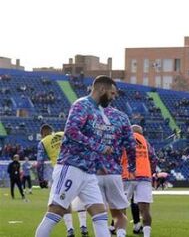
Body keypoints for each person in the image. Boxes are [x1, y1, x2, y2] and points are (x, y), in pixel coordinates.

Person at [34, 75, 118, 237]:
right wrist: (99, 146)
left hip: (88, 171)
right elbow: (72, 131)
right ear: (102, 89)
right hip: (71, 167)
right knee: (56, 212)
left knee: (100, 215)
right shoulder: (82, 105)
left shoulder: (98, 110)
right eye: (112, 93)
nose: (113, 98)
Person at [37, 124, 89, 237]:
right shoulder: (63, 133)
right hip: (78, 167)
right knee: (81, 198)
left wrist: (41, 180)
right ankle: (83, 226)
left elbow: (40, 162)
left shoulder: (43, 142)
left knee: (62, 201)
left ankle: (70, 229)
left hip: (62, 170)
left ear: (42, 134)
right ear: (52, 131)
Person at [98, 106, 137, 237]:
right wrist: (132, 167)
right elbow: (131, 145)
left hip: (94, 172)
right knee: (119, 212)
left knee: (99, 214)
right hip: (114, 171)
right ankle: (121, 234)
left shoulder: (88, 112)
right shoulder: (121, 116)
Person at [122, 125, 157, 237]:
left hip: (128, 176)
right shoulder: (146, 143)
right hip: (144, 176)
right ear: (141, 133)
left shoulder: (125, 139)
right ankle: (146, 234)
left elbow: (117, 157)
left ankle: (120, 233)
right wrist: (150, 172)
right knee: (145, 210)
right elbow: (154, 159)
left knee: (121, 207)